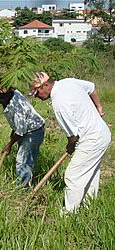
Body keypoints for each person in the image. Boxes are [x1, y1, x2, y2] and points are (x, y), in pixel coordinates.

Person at [30, 72, 111, 213]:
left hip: (91, 139)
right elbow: (91, 88)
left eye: (37, 92)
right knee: (89, 173)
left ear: (46, 86)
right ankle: (88, 207)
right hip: (102, 133)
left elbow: (73, 136)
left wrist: (70, 147)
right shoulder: (68, 82)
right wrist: (99, 107)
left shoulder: (59, 102)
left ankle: (69, 214)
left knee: (73, 175)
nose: (37, 96)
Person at [0, 74, 45, 188]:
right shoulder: (10, 96)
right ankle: (25, 185)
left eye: (4, 95)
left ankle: (22, 189)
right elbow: (17, 127)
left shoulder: (17, 106)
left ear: (10, 92)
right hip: (27, 130)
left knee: (23, 161)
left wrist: (9, 145)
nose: (1, 99)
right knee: (25, 160)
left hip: (33, 132)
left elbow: (20, 130)